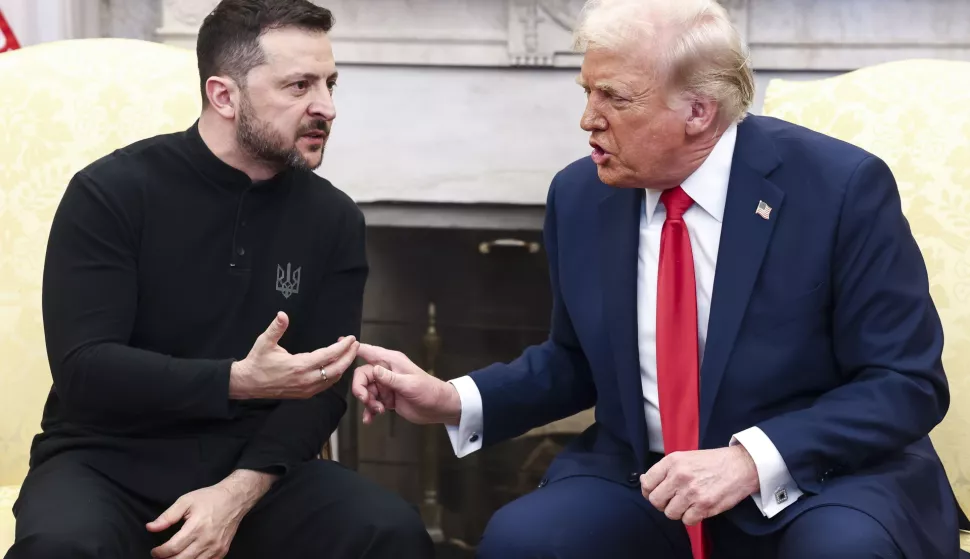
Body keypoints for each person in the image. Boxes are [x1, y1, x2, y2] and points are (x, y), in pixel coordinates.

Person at [351, 0, 962, 557]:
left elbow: (905, 381)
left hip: (818, 477)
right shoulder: (580, 193)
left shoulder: (838, 188)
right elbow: (575, 362)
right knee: (523, 541)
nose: (588, 119)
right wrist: (452, 399)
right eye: (587, 91)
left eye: (615, 98)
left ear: (698, 110)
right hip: (646, 475)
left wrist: (751, 459)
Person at [6, 1, 434, 558]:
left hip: (253, 468)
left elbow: (321, 387)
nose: (325, 106)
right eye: (299, 86)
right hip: (103, 460)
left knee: (388, 531)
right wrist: (236, 381)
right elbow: (87, 367)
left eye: (330, 84)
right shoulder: (110, 193)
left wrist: (237, 492)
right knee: (62, 547)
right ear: (223, 95)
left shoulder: (334, 218)